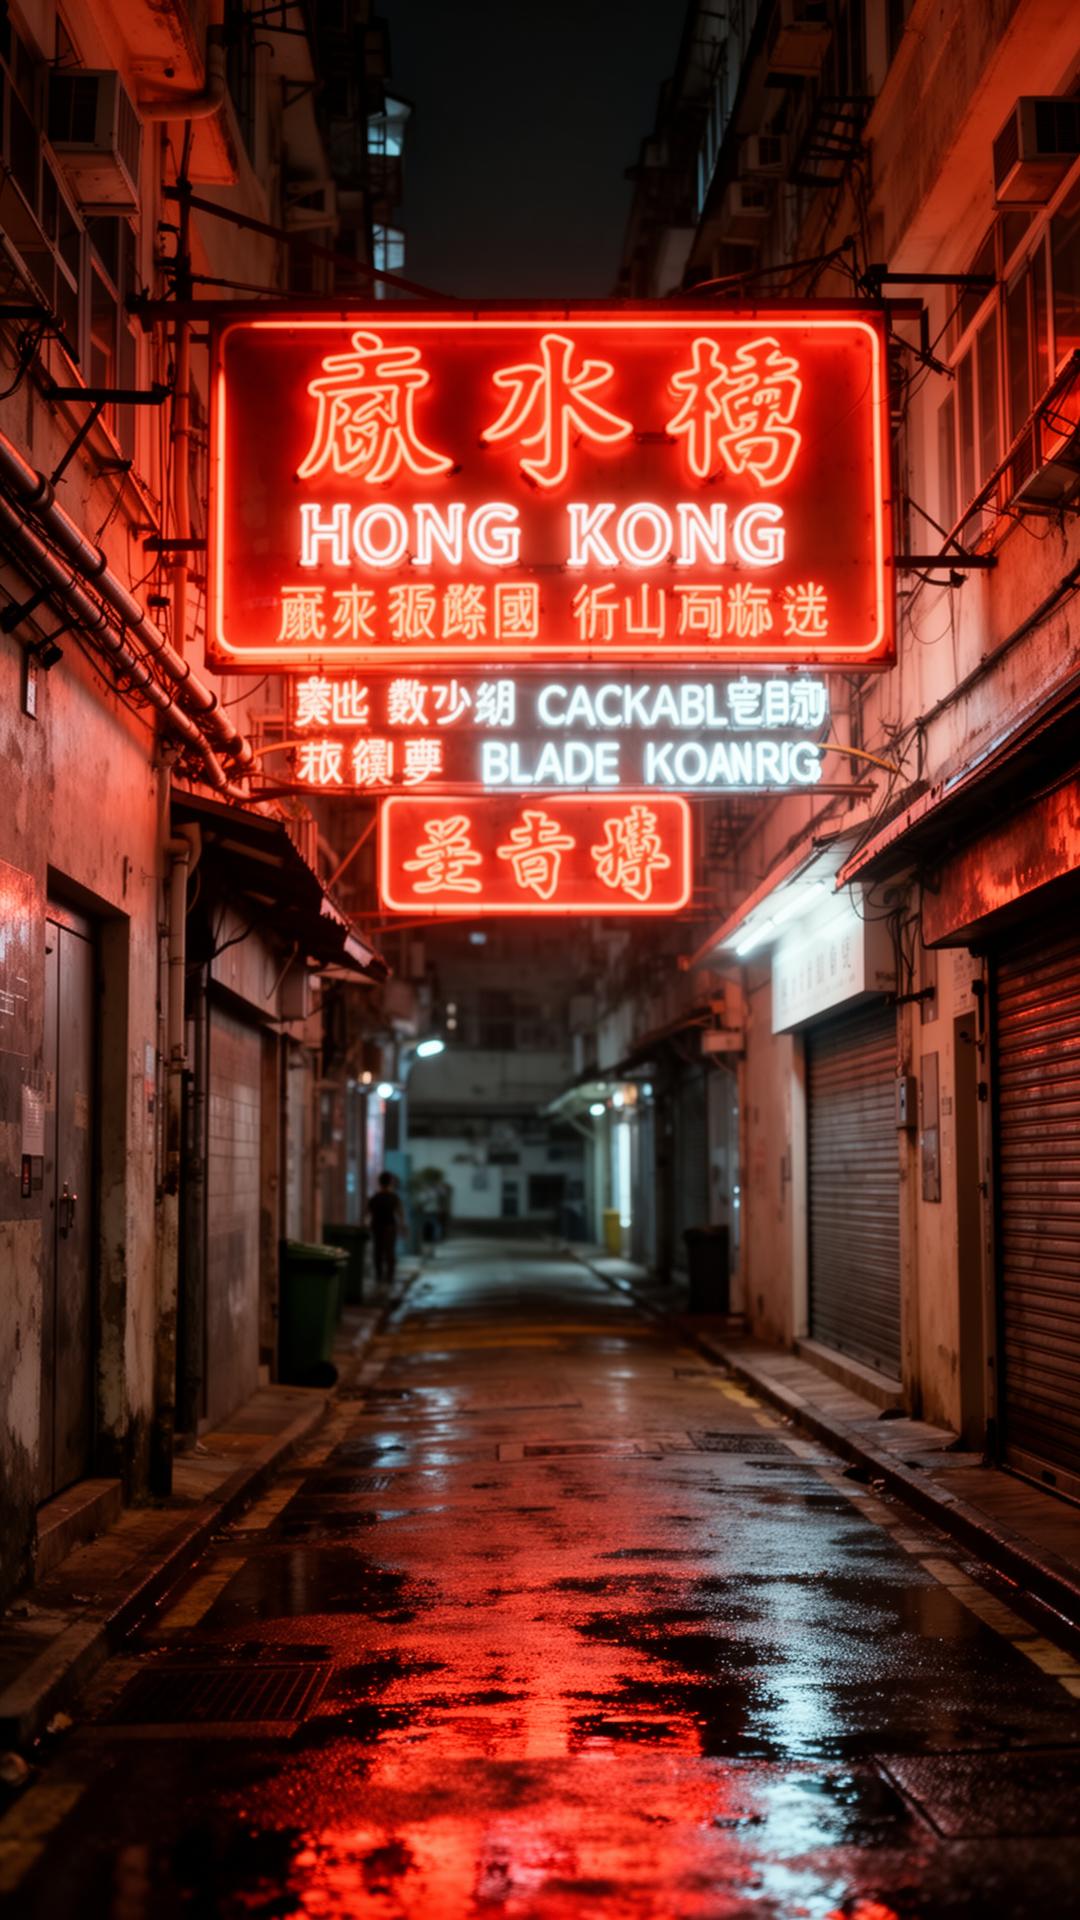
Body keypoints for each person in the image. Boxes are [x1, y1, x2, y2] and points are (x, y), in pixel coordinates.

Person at [367, 1172, 403, 1288]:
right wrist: (402, 1226)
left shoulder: (374, 1197)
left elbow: (367, 1213)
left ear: (380, 1182)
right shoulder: (393, 1197)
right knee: (389, 1252)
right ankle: (389, 1277)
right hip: (389, 1227)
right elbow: (400, 1213)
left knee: (378, 1251)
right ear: (390, 1182)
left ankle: (379, 1276)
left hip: (377, 1226)